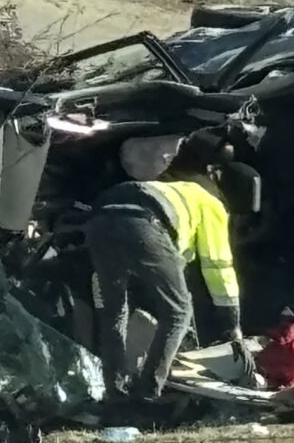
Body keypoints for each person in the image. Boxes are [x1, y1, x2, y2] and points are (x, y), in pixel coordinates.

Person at [85, 130, 242, 399]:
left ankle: (115, 393)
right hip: (144, 222)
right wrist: (231, 324)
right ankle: (149, 393)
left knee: (114, 312)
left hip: (102, 216)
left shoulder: (169, 189)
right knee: (179, 312)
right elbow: (219, 268)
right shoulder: (210, 203)